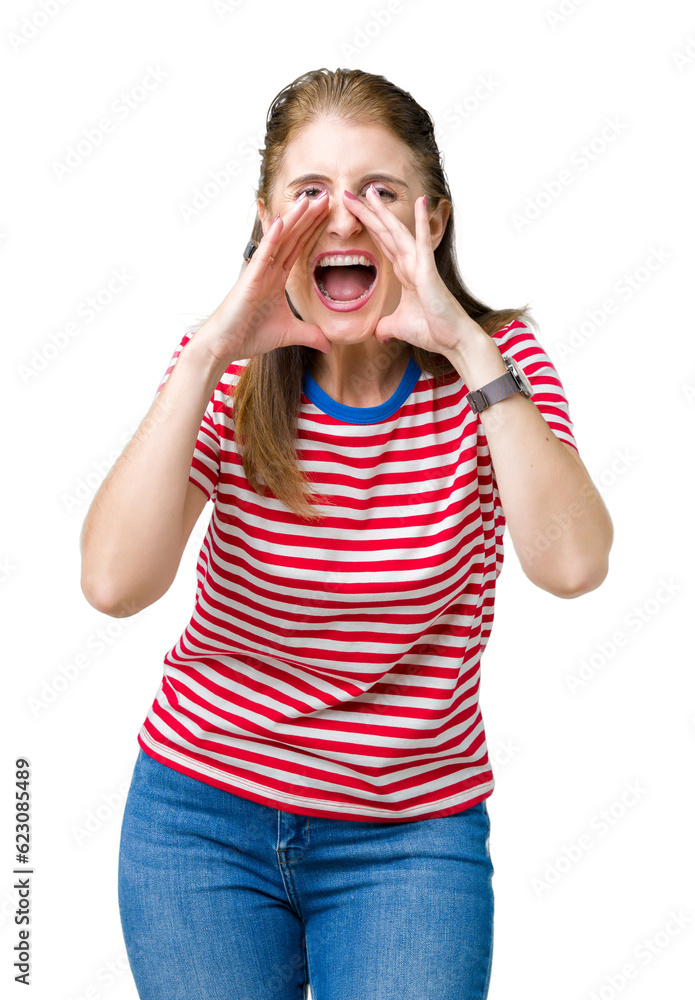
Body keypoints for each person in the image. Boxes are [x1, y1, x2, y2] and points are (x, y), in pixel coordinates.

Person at [80, 67, 613, 1000]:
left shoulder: (497, 370)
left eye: (380, 191)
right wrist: (208, 350)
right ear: (263, 221)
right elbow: (114, 585)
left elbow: (572, 565)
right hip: (199, 821)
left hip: (408, 836)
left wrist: (469, 349)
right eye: (310, 193)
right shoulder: (229, 376)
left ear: (430, 221)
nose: (344, 217)